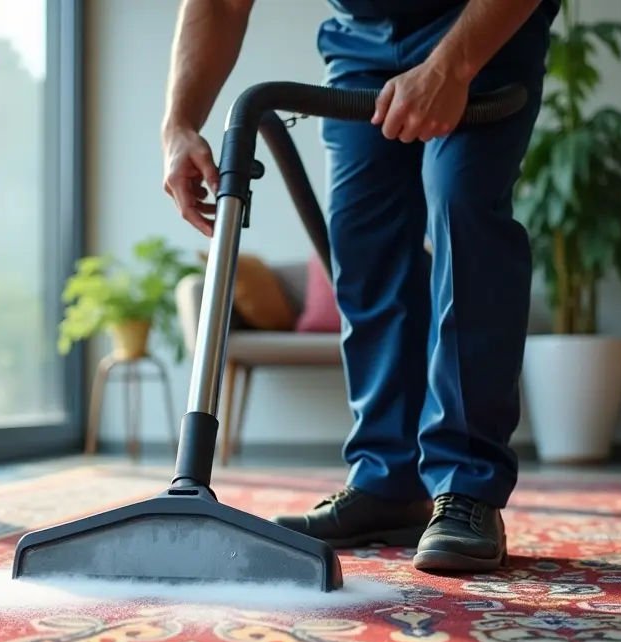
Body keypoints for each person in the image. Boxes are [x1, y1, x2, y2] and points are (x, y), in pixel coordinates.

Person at [161, 0, 558, 573]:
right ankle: (387, 481)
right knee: (361, 241)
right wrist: (178, 123)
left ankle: (466, 486)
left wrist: (451, 66)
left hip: (478, 21)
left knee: (463, 211)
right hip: (362, 41)